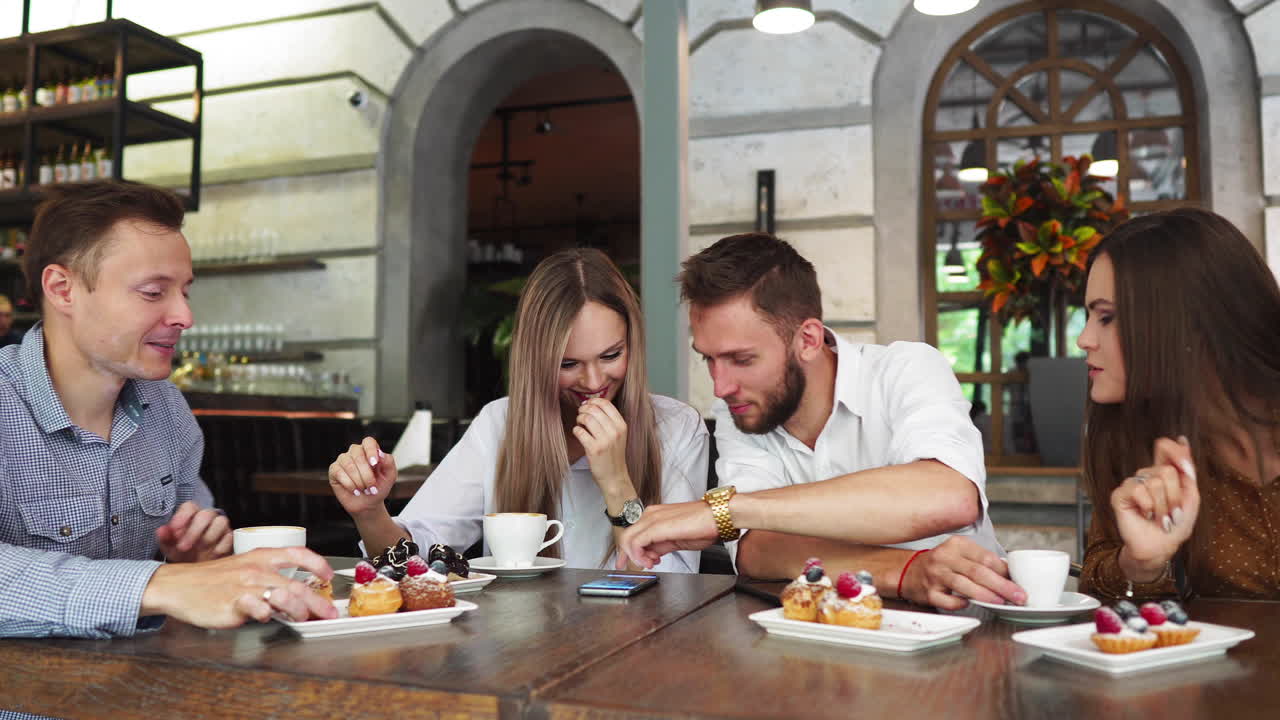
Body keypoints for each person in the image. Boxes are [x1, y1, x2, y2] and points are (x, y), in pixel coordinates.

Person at [0, 181, 336, 640]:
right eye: (154, 293)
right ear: (63, 289)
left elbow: (196, 561)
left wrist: (197, 558)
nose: (185, 316)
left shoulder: (166, 408)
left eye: (185, 292)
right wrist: (160, 584)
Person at [618, 232, 1022, 610]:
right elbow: (758, 551)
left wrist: (726, 510)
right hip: (827, 642)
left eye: (742, 360)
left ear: (807, 340)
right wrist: (905, 571)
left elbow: (949, 496)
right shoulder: (742, 407)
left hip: (968, 626)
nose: (720, 386)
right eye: (708, 358)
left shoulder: (905, 368)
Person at [329, 248, 708, 572]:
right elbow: (416, 563)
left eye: (611, 355)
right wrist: (371, 514)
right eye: (567, 364)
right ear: (536, 360)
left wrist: (616, 483)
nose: (594, 382)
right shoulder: (500, 424)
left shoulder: (676, 428)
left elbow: (674, 588)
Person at [1077, 208, 1280, 602]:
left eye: (1107, 317)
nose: (1084, 339)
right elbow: (1098, 580)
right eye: (1088, 316)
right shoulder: (1135, 443)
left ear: (1185, 322)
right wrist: (1141, 562)